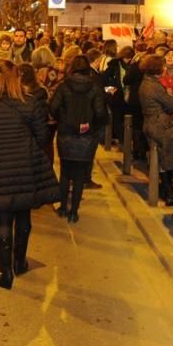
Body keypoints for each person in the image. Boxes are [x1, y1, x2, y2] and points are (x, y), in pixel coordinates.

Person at [0, 60, 58, 289]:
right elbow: (42, 135)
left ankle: (5, 273)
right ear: (17, 78)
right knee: (24, 216)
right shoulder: (30, 103)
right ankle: (20, 261)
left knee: (3, 221)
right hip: (25, 166)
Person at [50, 55, 108, 223]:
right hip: (86, 137)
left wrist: (63, 119)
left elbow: (53, 107)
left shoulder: (64, 86)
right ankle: (74, 212)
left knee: (65, 174)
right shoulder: (95, 88)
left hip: (66, 134)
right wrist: (90, 125)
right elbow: (100, 113)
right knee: (79, 176)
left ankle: (62, 207)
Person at [138, 54, 173, 207]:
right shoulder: (154, 86)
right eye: (163, 65)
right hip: (160, 126)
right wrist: (170, 94)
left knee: (164, 162)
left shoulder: (147, 82)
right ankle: (167, 191)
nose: (165, 67)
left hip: (152, 123)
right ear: (157, 68)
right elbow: (172, 106)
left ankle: (169, 193)